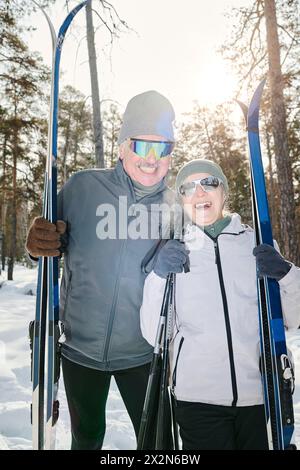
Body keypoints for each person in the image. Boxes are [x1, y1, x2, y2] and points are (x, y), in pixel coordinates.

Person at [26, 90, 176, 450]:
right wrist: (36, 242)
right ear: (122, 147)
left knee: (159, 444)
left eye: (163, 148)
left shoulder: (177, 206)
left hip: (144, 353)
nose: (152, 160)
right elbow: (46, 243)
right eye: (142, 146)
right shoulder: (82, 187)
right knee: (87, 437)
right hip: (81, 350)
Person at [140, 158, 300, 450]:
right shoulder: (174, 251)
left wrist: (287, 275)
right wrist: (159, 275)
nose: (199, 193)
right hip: (199, 402)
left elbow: (292, 318)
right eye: (188, 188)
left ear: (224, 192)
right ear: (182, 200)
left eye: (209, 183)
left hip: (260, 396)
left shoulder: (257, 244)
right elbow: (154, 334)